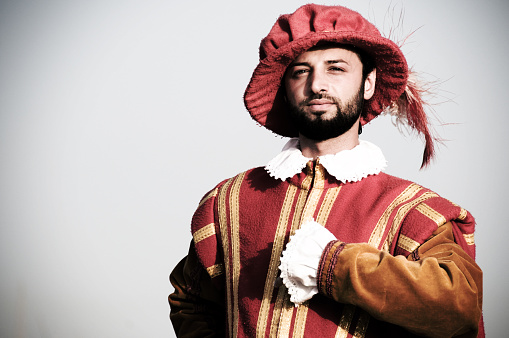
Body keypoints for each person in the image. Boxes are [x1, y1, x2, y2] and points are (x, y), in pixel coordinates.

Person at [168, 4, 484, 337]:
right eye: (301, 71)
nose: (317, 84)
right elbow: (191, 303)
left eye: (336, 68)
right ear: (285, 88)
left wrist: (335, 265)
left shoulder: (416, 212)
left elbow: (459, 307)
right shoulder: (228, 202)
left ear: (368, 83)